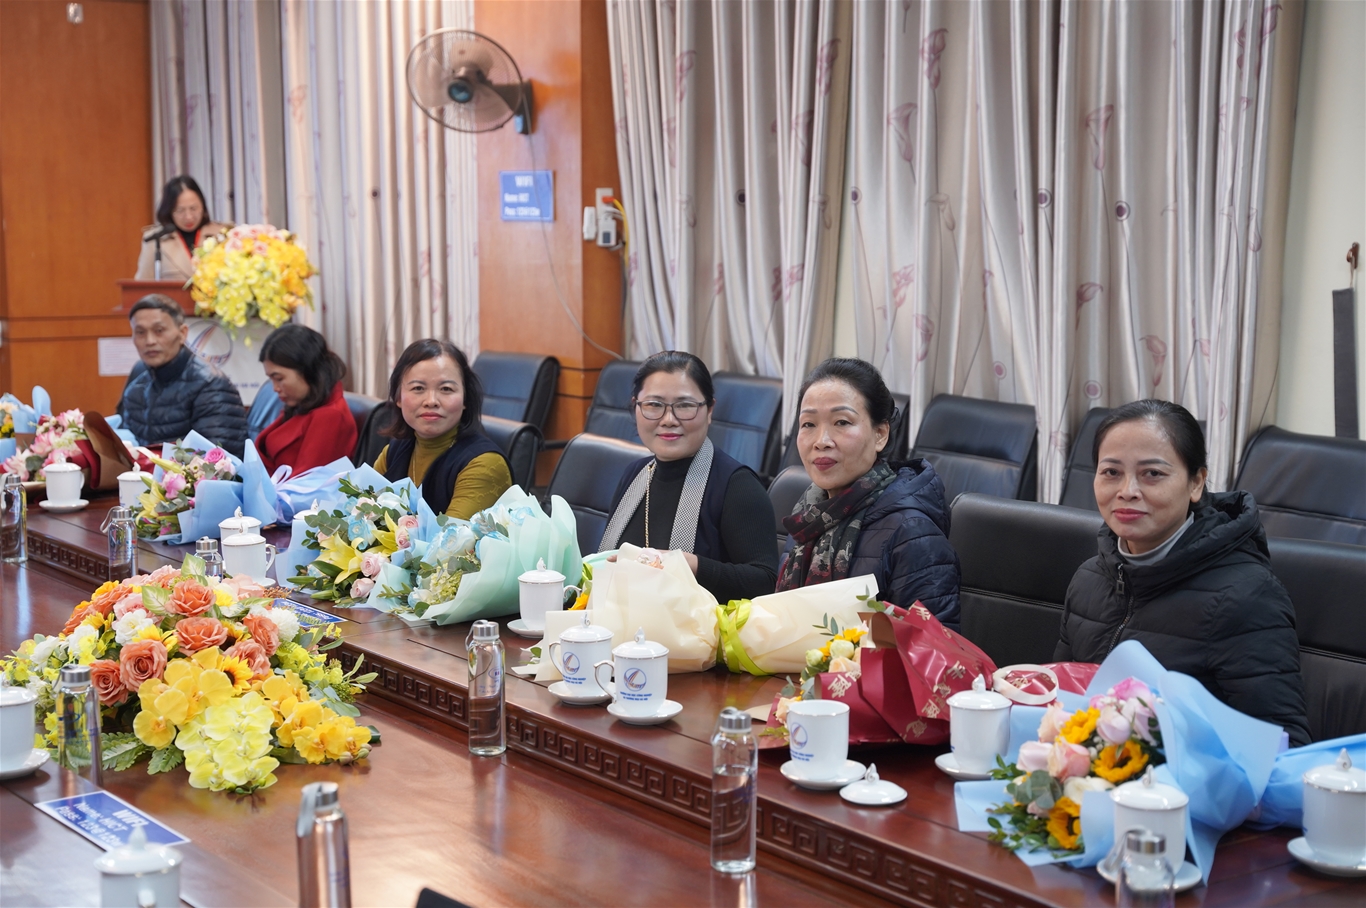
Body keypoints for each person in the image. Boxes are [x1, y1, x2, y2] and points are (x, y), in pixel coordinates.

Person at [1054, 400, 1311, 746]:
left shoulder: (1247, 596)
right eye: (1111, 472)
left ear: (1196, 483)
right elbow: (1061, 701)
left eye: (1152, 474)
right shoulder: (1089, 578)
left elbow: (1283, 745)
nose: (1127, 491)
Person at [777, 358, 960, 627]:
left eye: (841, 422)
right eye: (808, 424)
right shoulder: (809, 514)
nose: (821, 441)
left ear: (880, 434)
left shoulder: (912, 532)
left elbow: (930, 644)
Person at [599, 352, 778, 603]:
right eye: (654, 405)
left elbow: (765, 582)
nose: (668, 420)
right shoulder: (634, 474)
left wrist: (688, 565)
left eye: (684, 405)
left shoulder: (738, 486)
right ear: (636, 406)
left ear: (709, 410)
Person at [373, 339, 512, 519]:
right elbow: (359, 514)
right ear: (398, 398)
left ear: (465, 399)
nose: (431, 401)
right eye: (418, 388)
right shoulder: (393, 452)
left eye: (446, 389)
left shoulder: (485, 464)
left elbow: (450, 536)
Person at [117, 294, 248, 457]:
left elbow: (218, 460)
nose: (149, 341)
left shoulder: (210, 385)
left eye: (159, 331)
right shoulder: (136, 387)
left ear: (182, 333)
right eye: (140, 332)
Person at [253, 324, 357, 474]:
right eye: (271, 379)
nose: (275, 388)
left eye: (279, 378)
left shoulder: (330, 416)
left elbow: (307, 481)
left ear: (307, 370)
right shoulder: (303, 404)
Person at [135, 176, 230, 283]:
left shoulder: (223, 234)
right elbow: (141, 287)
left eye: (193, 208)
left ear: (203, 206)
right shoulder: (155, 240)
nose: (188, 217)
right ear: (169, 210)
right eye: (180, 210)